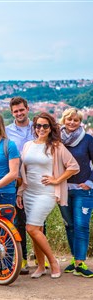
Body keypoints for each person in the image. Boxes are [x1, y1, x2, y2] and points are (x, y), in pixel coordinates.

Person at [17, 112, 79, 279]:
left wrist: (57, 179)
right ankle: (40, 266)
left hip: (47, 193)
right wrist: (20, 192)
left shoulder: (57, 146)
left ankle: (53, 262)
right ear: (34, 127)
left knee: (31, 228)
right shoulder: (28, 145)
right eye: (38, 125)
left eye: (45, 126)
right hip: (29, 192)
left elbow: (73, 166)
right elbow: (24, 170)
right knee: (37, 229)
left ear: (51, 128)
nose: (41, 129)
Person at [58, 108, 93, 277]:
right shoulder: (57, 140)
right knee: (69, 225)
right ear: (63, 120)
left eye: (76, 120)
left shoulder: (87, 139)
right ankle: (74, 259)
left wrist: (89, 182)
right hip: (63, 190)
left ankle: (80, 262)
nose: (72, 123)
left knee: (81, 225)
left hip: (82, 190)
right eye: (69, 119)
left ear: (80, 122)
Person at [5, 96, 33, 275]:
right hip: (18, 180)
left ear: (27, 109)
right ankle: (21, 258)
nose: (19, 113)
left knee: (39, 220)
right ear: (12, 113)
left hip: (37, 178)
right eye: (15, 111)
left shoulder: (38, 126)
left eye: (21, 110)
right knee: (19, 220)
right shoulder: (7, 131)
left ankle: (39, 258)